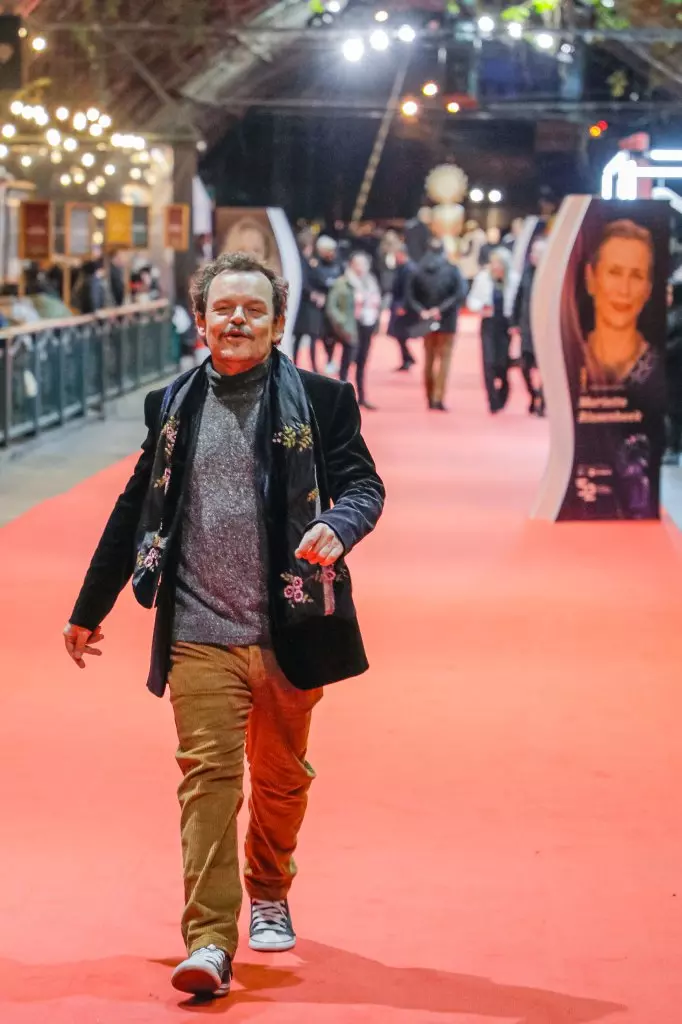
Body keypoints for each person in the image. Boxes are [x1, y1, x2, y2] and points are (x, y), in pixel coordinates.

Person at [63, 250, 385, 1001]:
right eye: (223, 309)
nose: (237, 320)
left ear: (276, 324)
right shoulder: (172, 406)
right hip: (198, 626)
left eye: (254, 310)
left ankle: (269, 886)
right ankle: (208, 939)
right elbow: (132, 510)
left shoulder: (324, 400)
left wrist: (341, 522)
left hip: (291, 628)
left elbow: (365, 483)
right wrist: (89, 609)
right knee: (207, 780)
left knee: (280, 779)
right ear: (201, 320)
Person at [583, 219, 657, 387]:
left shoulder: (660, 370)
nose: (624, 290)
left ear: (648, 289)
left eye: (637, 276)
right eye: (614, 273)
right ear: (591, 279)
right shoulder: (569, 360)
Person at [406, 237, 466, 411]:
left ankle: (429, 394)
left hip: (426, 320)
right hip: (447, 321)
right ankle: (438, 396)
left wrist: (423, 311)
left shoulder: (418, 270)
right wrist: (440, 309)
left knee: (428, 359)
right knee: (444, 360)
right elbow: (459, 294)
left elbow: (410, 295)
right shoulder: (452, 269)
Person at [468, 247, 518, 413]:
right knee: (488, 362)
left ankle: (504, 391)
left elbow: (518, 303)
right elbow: (472, 300)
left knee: (502, 363)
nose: (495, 267)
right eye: (493, 263)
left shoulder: (513, 280)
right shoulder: (483, 278)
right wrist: (481, 307)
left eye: (499, 263)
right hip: (488, 323)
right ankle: (492, 399)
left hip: (505, 326)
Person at [512, 237, 547, 416]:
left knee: (546, 369)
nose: (532, 256)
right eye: (532, 253)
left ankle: (543, 399)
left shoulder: (551, 274)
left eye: (536, 253)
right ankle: (533, 395)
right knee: (524, 366)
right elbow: (519, 297)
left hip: (546, 330)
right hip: (527, 328)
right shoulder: (527, 272)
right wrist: (514, 322)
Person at [344, 250, 382, 410]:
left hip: (368, 323)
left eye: (364, 264)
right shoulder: (345, 282)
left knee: (362, 361)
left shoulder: (371, 281)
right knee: (347, 360)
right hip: (351, 326)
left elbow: (377, 301)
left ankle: (362, 395)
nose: (361, 268)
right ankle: (343, 395)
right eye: (358, 264)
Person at [292, 234, 327, 370]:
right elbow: (302, 282)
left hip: (308, 305)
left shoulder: (309, 261)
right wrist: (314, 294)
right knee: (304, 336)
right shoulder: (302, 261)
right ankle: (304, 365)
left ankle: (310, 365)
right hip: (305, 305)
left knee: (308, 337)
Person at [315, 235, 344, 372]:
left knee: (335, 335)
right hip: (321, 308)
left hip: (337, 306)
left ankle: (333, 360)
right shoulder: (315, 264)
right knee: (324, 335)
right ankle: (328, 359)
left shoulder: (339, 264)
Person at [387, 244, 417, 371]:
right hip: (398, 303)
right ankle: (407, 357)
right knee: (399, 334)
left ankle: (407, 358)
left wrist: (403, 305)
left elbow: (408, 290)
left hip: (403, 305)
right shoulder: (401, 268)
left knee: (400, 333)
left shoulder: (409, 269)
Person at [664, 280, 682, 465]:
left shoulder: (676, 316)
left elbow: (674, 345)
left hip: (674, 372)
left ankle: (674, 448)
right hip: (675, 372)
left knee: (674, 410)